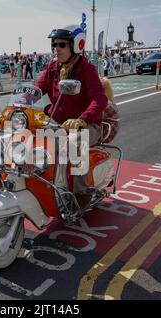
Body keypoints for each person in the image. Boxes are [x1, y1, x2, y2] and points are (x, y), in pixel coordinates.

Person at [35, 24, 108, 211]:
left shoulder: (86, 68)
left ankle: (80, 193)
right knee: (30, 134)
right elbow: (38, 88)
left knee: (76, 141)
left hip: (86, 125)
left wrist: (83, 119)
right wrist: (22, 98)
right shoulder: (52, 67)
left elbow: (99, 98)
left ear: (75, 46)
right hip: (58, 122)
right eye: (54, 44)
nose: (55, 49)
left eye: (61, 45)